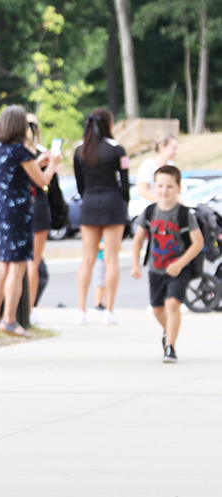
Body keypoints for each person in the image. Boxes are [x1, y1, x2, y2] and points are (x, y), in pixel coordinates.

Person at [0, 106, 60, 337]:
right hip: (19, 211)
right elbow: (42, 182)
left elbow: (17, 172)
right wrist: (53, 164)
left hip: (1, 210)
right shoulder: (21, 151)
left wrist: (38, 161)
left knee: (2, 265)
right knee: (17, 267)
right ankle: (10, 320)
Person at [131, 165, 203, 363]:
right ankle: (168, 331)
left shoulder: (184, 214)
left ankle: (170, 347)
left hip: (178, 268)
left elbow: (198, 243)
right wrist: (135, 264)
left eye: (169, 186)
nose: (164, 190)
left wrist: (180, 263)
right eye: (160, 186)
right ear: (154, 187)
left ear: (179, 188)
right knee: (157, 309)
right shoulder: (149, 212)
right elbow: (138, 239)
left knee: (172, 304)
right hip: (156, 268)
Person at [73, 109, 129, 326]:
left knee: (87, 259)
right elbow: (124, 184)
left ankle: (81, 311)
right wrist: (124, 204)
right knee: (111, 258)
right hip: (112, 202)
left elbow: (80, 184)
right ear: (109, 124)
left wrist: (88, 195)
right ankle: (109, 310)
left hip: (89, 203)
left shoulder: (80, 150)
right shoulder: (117, 150)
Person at [25, 114, 52, 325]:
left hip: (20, 207)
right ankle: (30, 309)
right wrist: (52, 165)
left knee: (20, 262)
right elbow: (44, 182)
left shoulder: (10, 150)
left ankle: (21, 308)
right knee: (33, 261)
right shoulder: (37, 153)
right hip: (37, 204)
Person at [136, 134, 178, 202]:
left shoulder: (172, 165)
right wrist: (160, 202)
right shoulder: (148, 165)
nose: (176, 152)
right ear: (163, 148)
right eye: (174, 148)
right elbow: (142, 190)